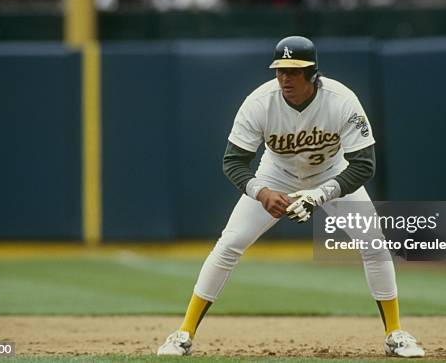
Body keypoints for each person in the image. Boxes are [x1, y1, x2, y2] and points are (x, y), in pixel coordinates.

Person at [156, 36, 425, 358]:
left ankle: (395, 333)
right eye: (280, 70)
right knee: (229, 244)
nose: (285, 78)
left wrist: (319, 195)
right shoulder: (259, 102)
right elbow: (233, 161)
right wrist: (261, 191)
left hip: (332, 174)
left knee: (374, 244)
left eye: (294, 71)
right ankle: (183, 334)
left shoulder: (342, 100)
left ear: (313, 73)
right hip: (276, 175)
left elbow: (364, 165)